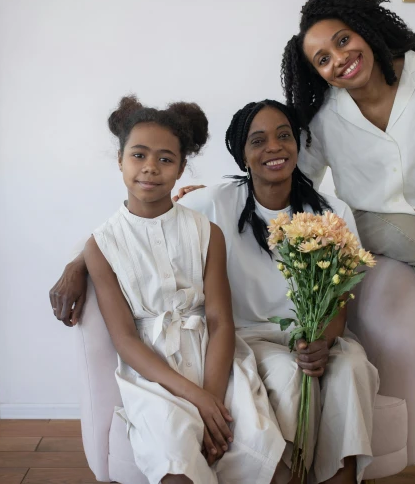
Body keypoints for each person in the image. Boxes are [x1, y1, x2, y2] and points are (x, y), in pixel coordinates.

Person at [52, 99, 378, 483]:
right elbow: (138, 229)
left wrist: (323, 339)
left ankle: (337, 476)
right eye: (257, 141)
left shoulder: (330, 211)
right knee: (288, 377)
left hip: (305, 340)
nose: (273, 147)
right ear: (242, 155)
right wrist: (77, 264)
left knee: (351, 367)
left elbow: (341, 292)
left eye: (284, 136)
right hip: (248, 338)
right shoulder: (216, 202)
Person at [280, 0, 415, 484]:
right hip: (374, 219)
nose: (340, 59)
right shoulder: (324, 114)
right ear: (316, 72)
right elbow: (299, 174)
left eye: (343, 40)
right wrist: (231, 189)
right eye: (323, 59)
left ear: (365, 31)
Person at [82, 95, 285, 484]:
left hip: (214, 361)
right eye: (138, 155)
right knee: (176, 467)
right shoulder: (101, 245)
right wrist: (195, 399)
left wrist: (211, 396)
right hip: (152, 372)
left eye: (165, 159)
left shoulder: (206, 232)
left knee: (264, 455)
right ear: (120, 160)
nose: (150, 169)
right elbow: (125, 340)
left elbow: (220, 322)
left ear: (181, 168)